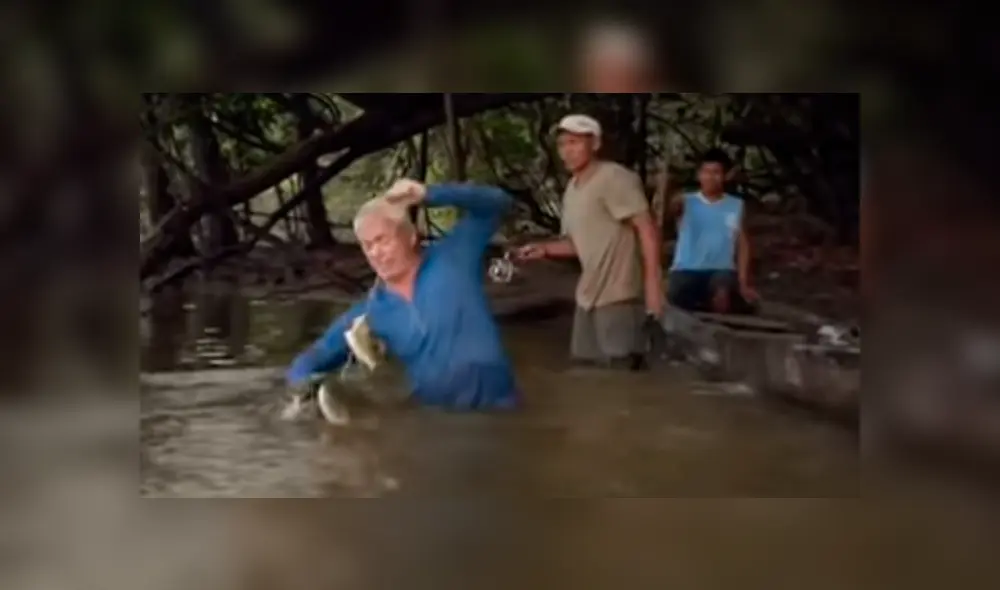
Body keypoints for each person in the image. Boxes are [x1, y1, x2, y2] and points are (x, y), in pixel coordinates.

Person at [285, 179, 520, 410]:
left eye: (382, 240)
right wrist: (305, 383)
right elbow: (313, 358)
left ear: (410, 236)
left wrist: (429, 194)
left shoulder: (454, 256)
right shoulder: (370, 313)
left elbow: (497, 203)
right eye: (367, 246)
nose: (376, 253)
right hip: (439, 424)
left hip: (502, 412)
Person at [514, 114, 663, 370]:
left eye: (575, 142)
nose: (567, 151)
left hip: (619, 295)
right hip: (587, 297)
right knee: (587, 372)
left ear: (595, 144)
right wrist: (544, 249)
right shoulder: (572, 188)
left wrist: (653, 287)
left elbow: (646, 230)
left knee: (623, 376)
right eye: (562, 144)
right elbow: (578, 243)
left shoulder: (615, 178)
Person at [666, 148, 758, 314]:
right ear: (699, 174)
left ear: (726, 176)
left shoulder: (736, 205)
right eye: (706, 172)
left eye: (716, 172)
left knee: (722, 294)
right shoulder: (685, 201)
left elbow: (743, 244)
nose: (710, 177)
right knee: (677, 296)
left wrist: (744, 282)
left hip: (721, 270)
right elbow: (668, 211)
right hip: (686, 269)